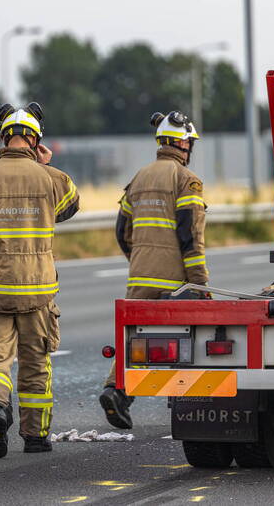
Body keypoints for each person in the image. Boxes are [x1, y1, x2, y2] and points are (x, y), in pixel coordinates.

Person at [0, 102, 79, 458]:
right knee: (36, 364)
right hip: (37, 291)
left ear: (4, 137)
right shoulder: (53, 179)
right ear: (36, 139)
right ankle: (35, 437)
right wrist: (45, 167)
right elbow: (69, 207)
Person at [98, 111, 209, 429]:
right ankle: (186, 404)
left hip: (140, 274)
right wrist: (199, 284)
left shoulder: (139, 178)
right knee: (188, 336)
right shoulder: (186, 180)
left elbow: (122, 232)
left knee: (134, 335)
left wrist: (140, 260)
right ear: (183, 143)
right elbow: (190, 236)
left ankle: (116, 391)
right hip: (175, 280)